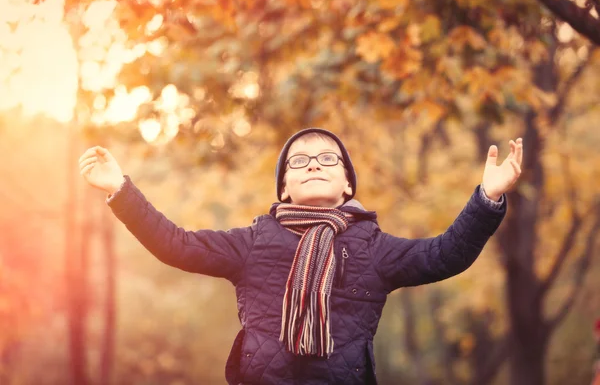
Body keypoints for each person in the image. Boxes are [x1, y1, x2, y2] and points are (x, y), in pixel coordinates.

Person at [78, 128, 523, 384]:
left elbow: (445, 255)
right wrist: (122, 190)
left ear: (348, 184)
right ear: (285, 188)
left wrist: (487, 198)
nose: (313, 164)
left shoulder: (373, 247)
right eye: (300, 161)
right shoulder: (254, 242)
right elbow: (175, 243)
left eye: (328, 159)